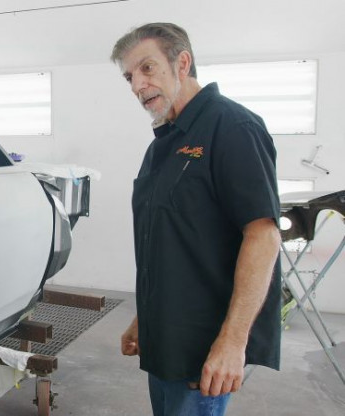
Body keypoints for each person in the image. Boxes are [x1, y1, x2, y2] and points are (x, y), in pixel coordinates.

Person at [110, 23, 282, 416]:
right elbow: (171, 241)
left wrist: (233, 342)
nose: (138, 85)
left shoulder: (232, 126)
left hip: (203, 351)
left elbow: (263, 236)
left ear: (182, 63)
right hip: (165, 340)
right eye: (129, 76)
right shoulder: (164, 143)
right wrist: (144, 318)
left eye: (147, 68)